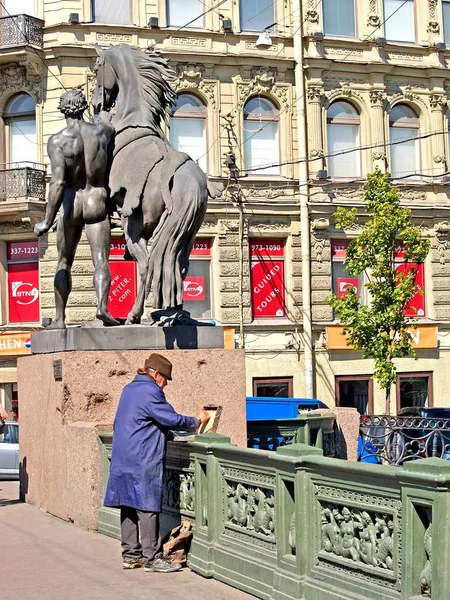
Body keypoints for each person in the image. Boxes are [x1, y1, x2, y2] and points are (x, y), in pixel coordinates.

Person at [104, 353, 210, 573]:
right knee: (147, 505)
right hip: (142, 457)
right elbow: (170, 418)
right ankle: (151, 558)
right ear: (157, 375)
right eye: (165, 380)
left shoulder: (129, 389)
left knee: (128, 504)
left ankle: (131, 556)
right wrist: (197, 420)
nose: (165, 385)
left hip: (123, 456)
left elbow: (144, 421)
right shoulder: (150, 391)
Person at [34, 89, 119, 328]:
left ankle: (60, 319)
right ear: (82, 108)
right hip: (96, 200)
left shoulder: (57, 141)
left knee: (63, 261)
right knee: (101, 260)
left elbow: (58, 182)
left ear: (62, 110)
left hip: (72, 203)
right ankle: (101, 307)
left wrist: (47, 220)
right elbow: (110, 123)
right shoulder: (101, 132)